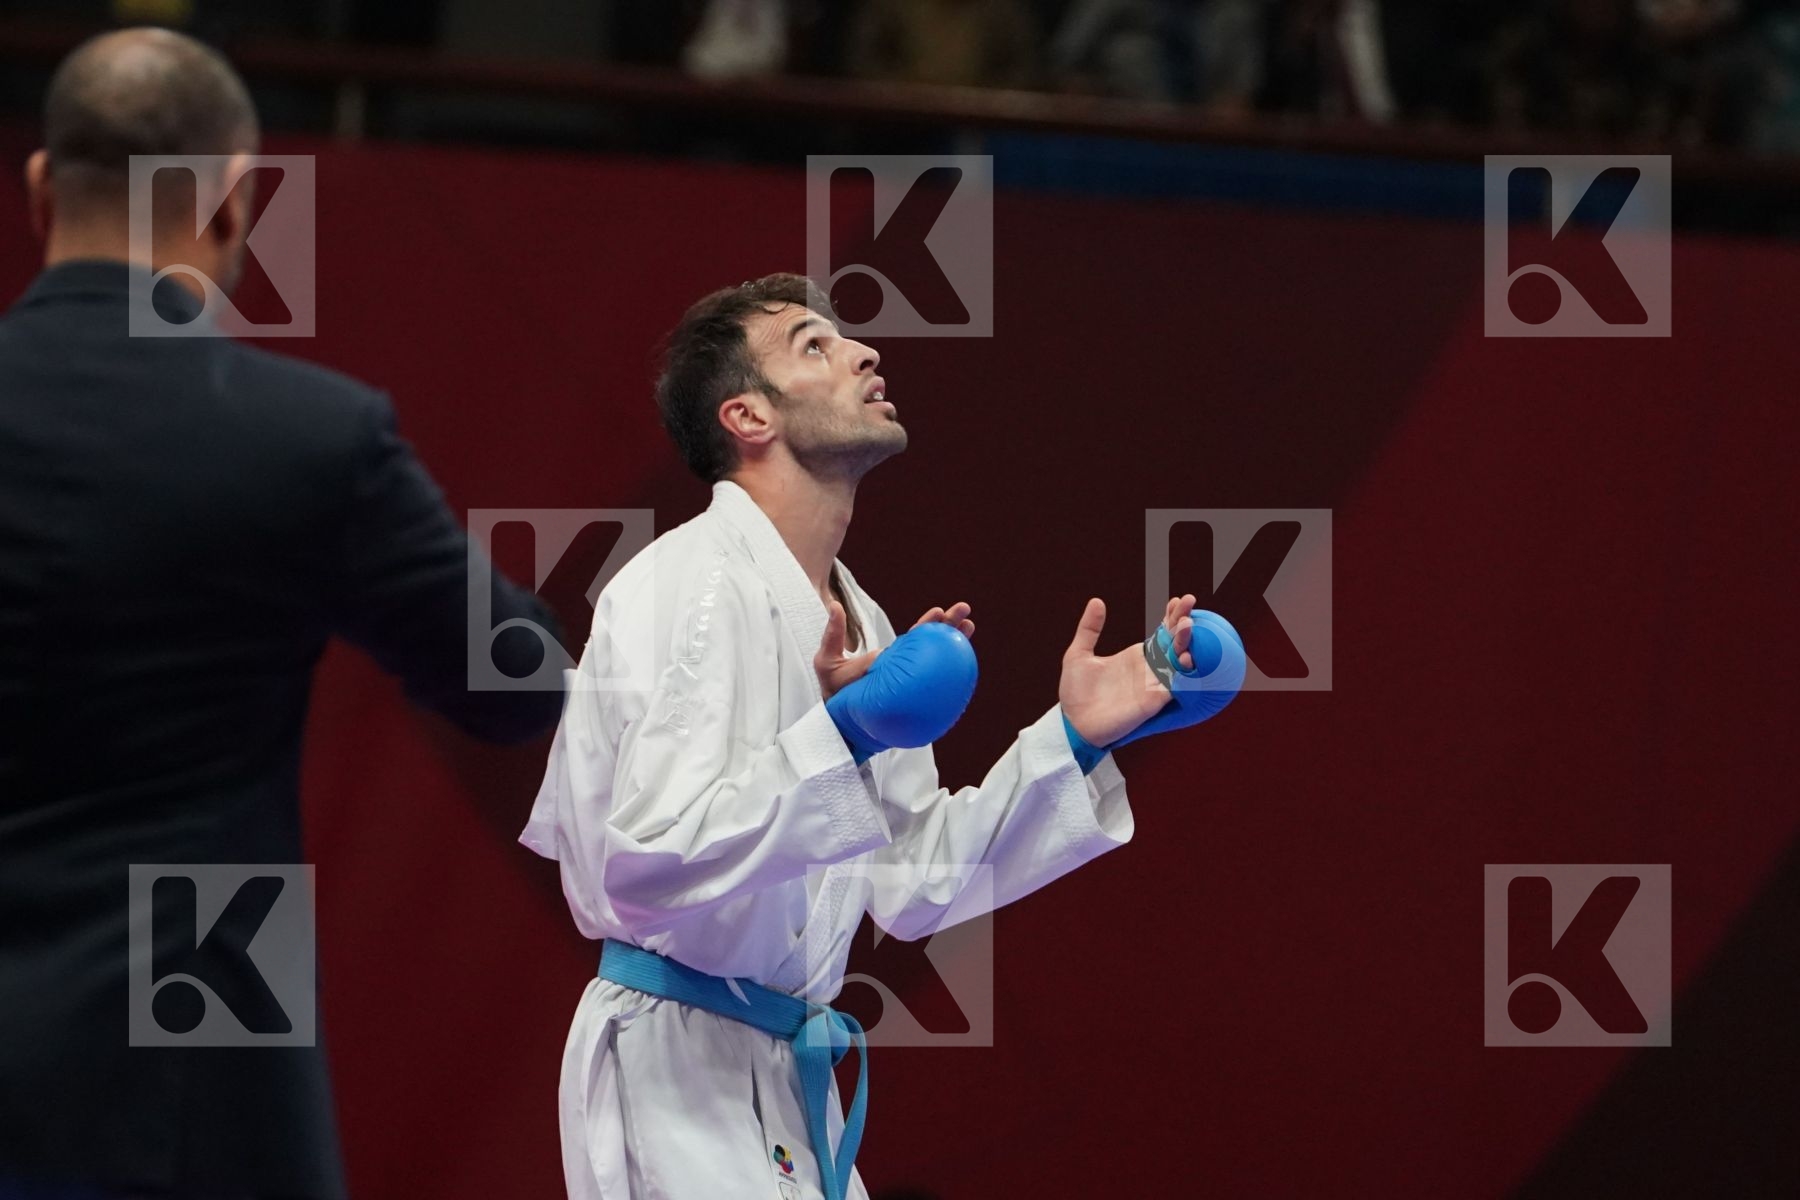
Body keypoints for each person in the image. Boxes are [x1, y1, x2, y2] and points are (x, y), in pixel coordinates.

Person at [521, 273, 1246, 1199]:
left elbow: (910, 883)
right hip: (674, 1068)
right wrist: (845, 737)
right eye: (813, 346)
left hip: (781, 1072)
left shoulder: (861, 620)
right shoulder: (689, 587)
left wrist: (1074, 740)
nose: (865, 354)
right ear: (748, 417)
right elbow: (647, 859)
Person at [0, 28, 562, 1200]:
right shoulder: (308, 439)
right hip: (193, 1056)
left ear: (44, 186)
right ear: (232, 205)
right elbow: (516, 687)